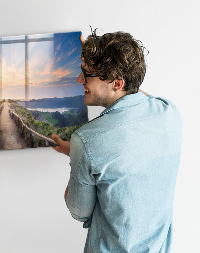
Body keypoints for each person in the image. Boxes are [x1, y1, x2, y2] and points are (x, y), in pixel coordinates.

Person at [51, 30, 182, 252]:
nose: (79, 79)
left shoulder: (86, 141)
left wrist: (77, 155)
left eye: (87, 74)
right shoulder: (169, 112)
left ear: (117, 83)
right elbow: (134, 93)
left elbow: (79, 211)